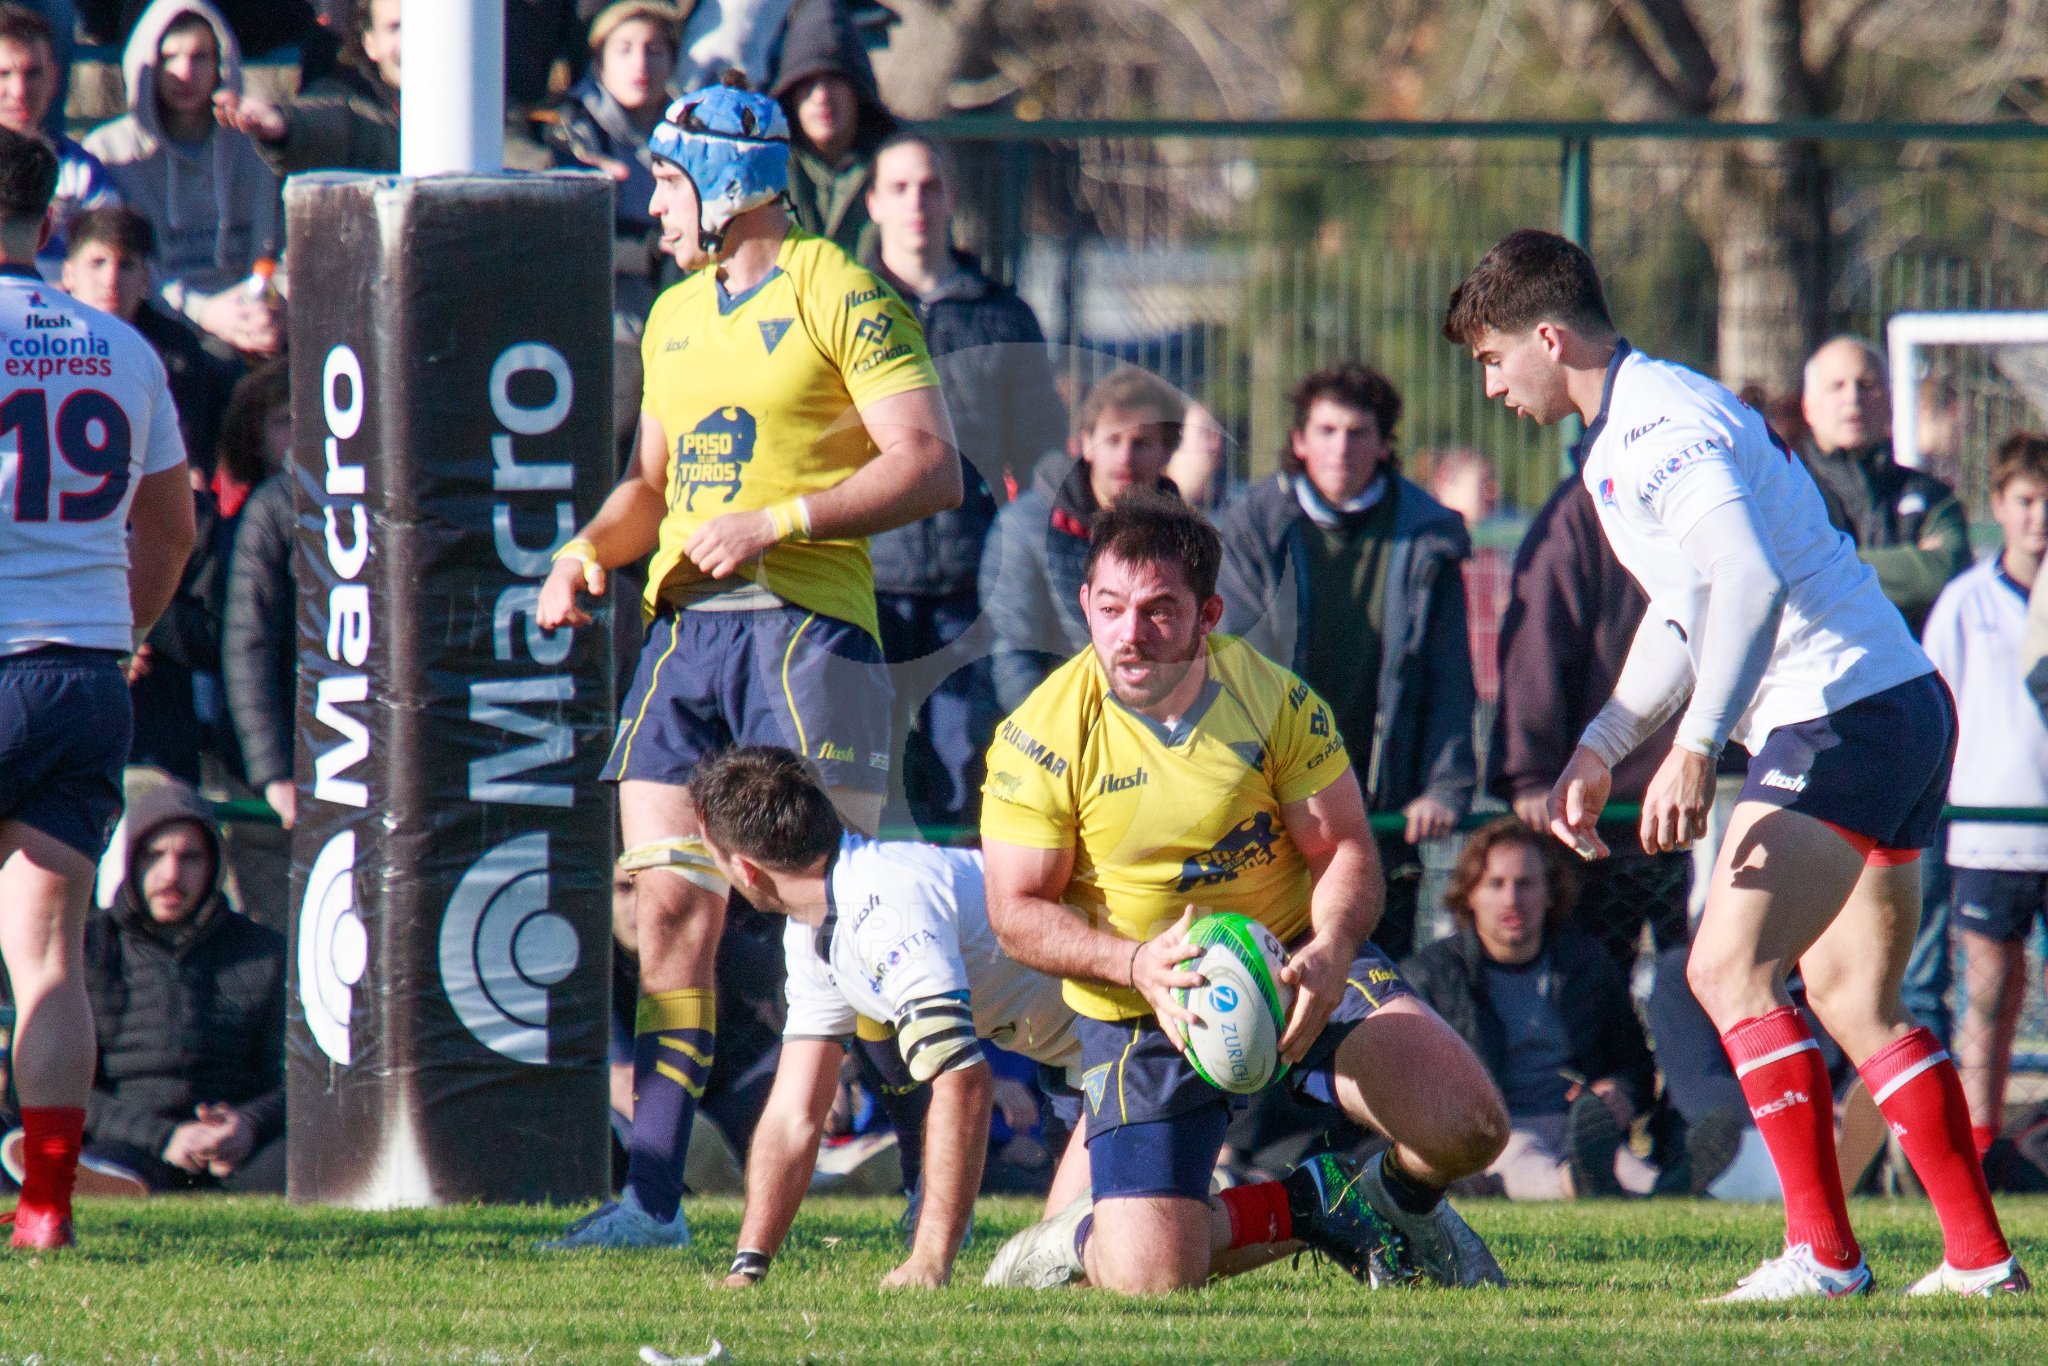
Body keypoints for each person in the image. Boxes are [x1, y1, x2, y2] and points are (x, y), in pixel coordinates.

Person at [1445, 227, 2025, 1299]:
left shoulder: (1659, 426)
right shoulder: (1628, 426)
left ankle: (1821, 1254)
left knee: (1721, 969)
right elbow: (1689, 601)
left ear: (1544, 335)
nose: (1489, 387)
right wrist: (1601, 743)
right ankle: (1979, 1260)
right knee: (1855, 1003)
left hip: (1837, 717)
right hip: (1890, 707)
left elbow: (1748, 584)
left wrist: (1695, 748)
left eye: (1488, 360)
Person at [532, 76, 960, 1249]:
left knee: (845, 923)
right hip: (685, 639)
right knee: (668, 909)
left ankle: (933, 1194)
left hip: (803, 633)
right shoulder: (672, 315)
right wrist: (582, 553)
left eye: (666, 182)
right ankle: (653, 1204)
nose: (652, 205)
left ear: (724, 187)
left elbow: (929, 464)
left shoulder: (835, 284)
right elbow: (650, 489)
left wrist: (779, 521)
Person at [978, 493, 1508, 1296]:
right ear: (1084, 604)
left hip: (1296, 954)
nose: (1131, 633)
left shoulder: (1274, 700)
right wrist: (1136, 964)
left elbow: (1344, 849)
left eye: (1160, 610)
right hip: (1142, 1000)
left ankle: (1392, 1200)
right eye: (1112, 608)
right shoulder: (1041, 733)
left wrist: (1331, 947)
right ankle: (1279, 1209)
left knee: (1469, 1129)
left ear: (1208, 614)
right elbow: (1015, 912)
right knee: (1153, 1278)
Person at [0, 125, 196, 1248]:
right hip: (82, 675)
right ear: (53, 225)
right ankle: (43, 1208)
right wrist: (121, 627)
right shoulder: (120, 350)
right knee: (48, 958)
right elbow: (170, 528)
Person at [690, 745, 1084, 1290]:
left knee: (1102, 1264)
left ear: (747, 868)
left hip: (1131, 1044)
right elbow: (793, 1113)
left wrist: (929, 1262)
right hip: (1081, 1066)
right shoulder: (814, 925)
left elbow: (963, 1079)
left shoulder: (884, 906)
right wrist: (748, 1268)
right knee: (1054, 1270)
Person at [1216, 363, 1477, 958]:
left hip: (1386, 812)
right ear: (1300, 440)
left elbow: (1449, 678)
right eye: (1326, 430)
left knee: (1379, 993)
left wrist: (1443, 787)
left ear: (1385, 445)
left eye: (1358, 432)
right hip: (1275, 815)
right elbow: (1234, 664)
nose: (1341, 447)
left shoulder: (1426, 535)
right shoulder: (1256, 525)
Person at [861, 130, 1066, 833]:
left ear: (951, 198)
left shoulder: (1005, 316)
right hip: (863, 583)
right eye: (899, 186)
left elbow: (1043, 452)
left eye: (931, 186)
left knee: (963, 777)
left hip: (970, 584)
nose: (917, 202)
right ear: (872, 203)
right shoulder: (841, 307)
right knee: (863, 780)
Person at [17, 782, 283, 1194]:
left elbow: (295, 1081)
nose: (171, 875)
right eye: (154, 856)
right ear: (131, 861)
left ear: (214, 864)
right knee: (103, 1165)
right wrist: (163, 1138)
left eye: (190, 857)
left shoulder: (265, 952)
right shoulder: (86, 947)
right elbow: (62, 1084)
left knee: (308, 1168)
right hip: (126, 1145)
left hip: (236, 1153)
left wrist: (247, 1125)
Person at [1489, 469, 1690, 968]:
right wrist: (1531, 773)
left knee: (1724, 985)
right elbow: (1538, 646)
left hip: (1699, 800)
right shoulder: (1581, 511)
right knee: (1593, 992)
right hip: (1601, 818)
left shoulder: (1710, 497)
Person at [1402, 818, 1659, 1201]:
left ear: (1549, 893)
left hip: (1579, 1126)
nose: (1511, 899)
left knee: (1640, 1177)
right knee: (1530, 1167)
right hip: (1499, 1133)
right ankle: (1576, 1183)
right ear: (1468, 894)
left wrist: (1620, 1090)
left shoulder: (1586, 963)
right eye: (1496, 885)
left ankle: (1675, 1181)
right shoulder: (1431, 975)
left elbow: (1634, 1061)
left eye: (1525, 884)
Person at [1921, 434, 2048, 1166]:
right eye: (2026, 501)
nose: (2039, 518)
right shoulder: (1966, 602)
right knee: (1988, 993)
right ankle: (1980, 1144)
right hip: (1986, 833)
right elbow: (1940, 702)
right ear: (1998, 506)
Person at [82, 0, 283, 358]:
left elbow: (274, 249)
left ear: (221, 62)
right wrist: (204, 311)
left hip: (249, 316)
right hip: (157, 324)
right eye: (169, 57)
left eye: (200, 57)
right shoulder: (109, 151)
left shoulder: (253, 145)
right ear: (147, 63)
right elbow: (118, 265)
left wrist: (266, 305)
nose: (184, 72)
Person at [981, 368, 1184, 715]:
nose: (1125, 458)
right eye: (1113, 440)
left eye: (1141, 443)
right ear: (1085, 444)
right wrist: (1051, 736)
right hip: (1057, 722)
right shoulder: (1025, 527)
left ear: (1167, 453)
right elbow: (1012, 651)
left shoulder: (1186, 538)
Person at [546, 2, 681, 456]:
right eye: (625, 50)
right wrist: (641, 250)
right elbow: (560, 238)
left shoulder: (691, 130)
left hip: (679, 318)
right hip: (606, 327)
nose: (641, 64)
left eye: (654, 50)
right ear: (600, 59)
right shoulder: (568, 130)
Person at [1799, 336, 1970, 638]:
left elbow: (1946, 572)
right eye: (1836, 386)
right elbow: (1796, 579)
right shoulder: (1787, 493)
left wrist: (1832, 567)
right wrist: (1908, 562)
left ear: (1891, 401)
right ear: (1808, 407)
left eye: (1866, 385)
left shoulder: (1932, 496)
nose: (1852, 397)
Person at [59, 204, 241, 476]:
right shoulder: (41, 342)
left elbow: (190, 453)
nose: (111, 280)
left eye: (127, 266)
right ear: (69, 274)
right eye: (97, 263)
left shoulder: (176, 350)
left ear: (145, 278)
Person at [212, 0, 399, 176]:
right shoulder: (356, 105)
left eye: (425, 23)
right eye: (395, 28)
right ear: (370, 43)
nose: (413, 41)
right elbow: (327, 122)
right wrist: (285, 122)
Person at [0, 4, 119, 279]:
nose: (19, 91)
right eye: (3, 74)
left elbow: (108, 270)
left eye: (33, 73)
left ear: (53, 79)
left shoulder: (84, 175)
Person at [770, 0, 894, 259]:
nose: (822, 96)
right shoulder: (767, 175)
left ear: (857, 91)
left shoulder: (897, 173)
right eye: (808, 83)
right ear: (790, 95)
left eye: (835, 80)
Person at [1426, 447, 1508, 714]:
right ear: (1445, 481)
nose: (1492, 491)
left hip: (1490, 693)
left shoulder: (1492, 552)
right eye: (1483, 481)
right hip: (1445, 694)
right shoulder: (1427, 555)